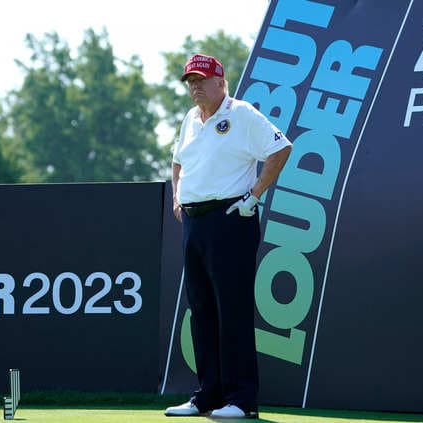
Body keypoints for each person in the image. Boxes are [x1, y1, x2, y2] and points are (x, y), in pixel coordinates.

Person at [164, 54, 292, 419]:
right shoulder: (190, 118)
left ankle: (241, 400)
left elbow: (281, 148)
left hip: (231, 218)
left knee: (231, 311)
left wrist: (254, 195)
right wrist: (177, 196)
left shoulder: (242, 114)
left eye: (202, 79)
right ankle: (207, 396)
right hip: (194, 221)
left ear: (222, 81)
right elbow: (178, 161)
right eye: (190, 80)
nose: (195, 86)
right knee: (201, 310)